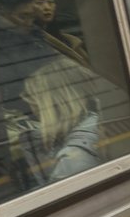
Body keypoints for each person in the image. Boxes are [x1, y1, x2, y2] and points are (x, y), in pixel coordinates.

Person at [14, 57, 102, 186]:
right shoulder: (94, 125)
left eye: (35, 104)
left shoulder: (73, 161)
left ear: (52, 106)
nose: (32, 111)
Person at [27, 0, 89, 64]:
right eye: (39, 3)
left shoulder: (69, 40)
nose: (47, 7)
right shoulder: (32, 42)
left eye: (50, 2)